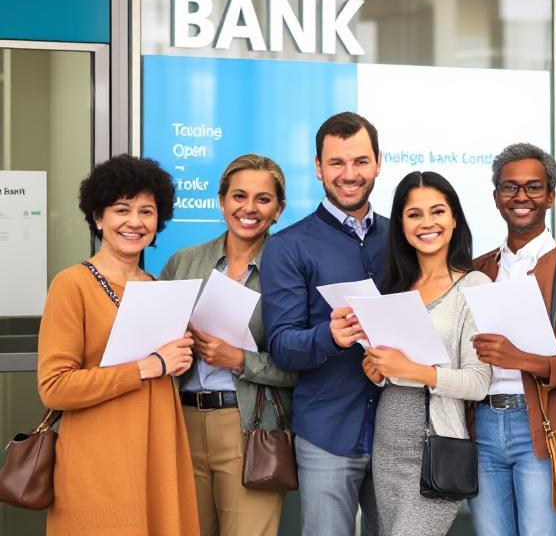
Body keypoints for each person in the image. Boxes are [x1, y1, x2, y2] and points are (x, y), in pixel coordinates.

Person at [37, 154, 199, 535]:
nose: (135, 222)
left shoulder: (160, 288)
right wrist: (146, 366)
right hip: (98, 460)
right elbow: (54, 386)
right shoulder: (71, 285)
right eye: (121, 209)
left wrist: (180, 356)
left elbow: (167, 370)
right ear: (98, 217)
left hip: (158, 452)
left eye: (147, 211)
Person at [261, 112, 387, 536]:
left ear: (378, 162)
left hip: (397, 434)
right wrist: (328, 336)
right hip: (328, 433)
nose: (349, 174)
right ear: (318, 167)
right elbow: (281, 345)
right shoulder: (288, 246)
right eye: (336, 163)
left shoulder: (404, 238)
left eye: (360, 162)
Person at [468, 143, 556, 536]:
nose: (521, 197)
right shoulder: (480, 269)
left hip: (543, 432)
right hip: (484, 427)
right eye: (510, 188)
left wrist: (523, 359)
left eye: (533, 187)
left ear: (550, 195)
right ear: (496, 198)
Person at [159, 154, 297, 536]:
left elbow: (303, 366)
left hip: (249, 427)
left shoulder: (290, 269)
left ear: (279, 210)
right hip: (182, 423)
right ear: (221, 201)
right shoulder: (183, 263)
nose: (248, 208)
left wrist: (240, 359)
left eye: (263, 199)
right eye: (238, 196)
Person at [361, 171, 491, 536]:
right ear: (401, 224)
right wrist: (377, 369)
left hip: (437, 445)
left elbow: (479, 382)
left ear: (454, 220)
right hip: (388, 443)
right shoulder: (394, 289)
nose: (427, 223)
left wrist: (413, 369)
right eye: (414, 214)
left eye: (437, 211)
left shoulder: (475, 286)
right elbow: (387, 372)